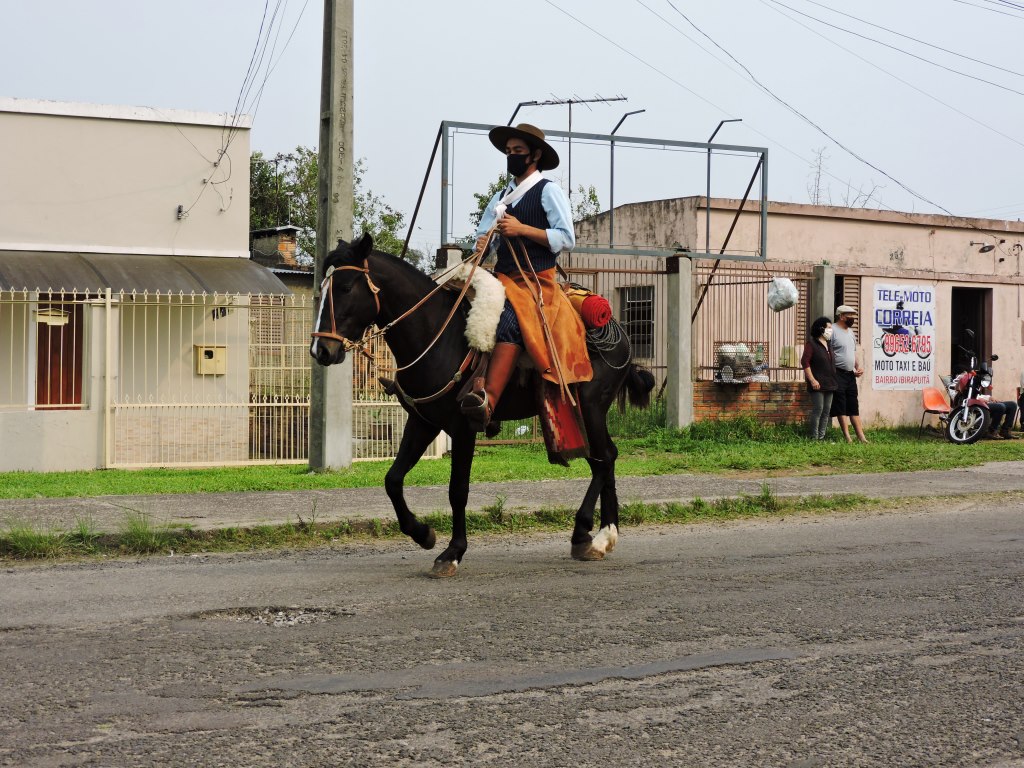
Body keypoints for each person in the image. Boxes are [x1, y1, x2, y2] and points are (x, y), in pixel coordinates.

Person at [459, 123, 590, 430]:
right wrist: (482, 243)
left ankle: (489, 401)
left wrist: (522, 229)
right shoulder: (501, 197)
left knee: (508, 320)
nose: (512, 157)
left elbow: (566, 237)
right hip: (502, 276)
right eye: (509, 152)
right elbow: (485, 236)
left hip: (535, 281)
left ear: (535, 155)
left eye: (518, 151)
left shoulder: (548, 191)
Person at [829, 304, 869, 443]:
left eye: (853, 315)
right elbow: (827, 351)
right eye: (849, 315)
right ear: (841, 316)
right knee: (841, 406)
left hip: (850, 374)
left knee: (853, 405)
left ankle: (861, 437)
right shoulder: (832, 330)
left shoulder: (851, 332)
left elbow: (853, 352)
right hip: (837, 373)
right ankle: (847, 436)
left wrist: (858, 366)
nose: (852, 318)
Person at [801, 316, 838, 440]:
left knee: (826, 411)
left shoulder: (828, 344)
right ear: (821, 328)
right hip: (817, 383)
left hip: (830, 383)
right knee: (818, 409)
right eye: (828, 328)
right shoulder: (812, 343)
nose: (830, 330)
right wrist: (812, 380)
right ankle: (814, 437)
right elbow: (805, 362)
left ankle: (821, 437)